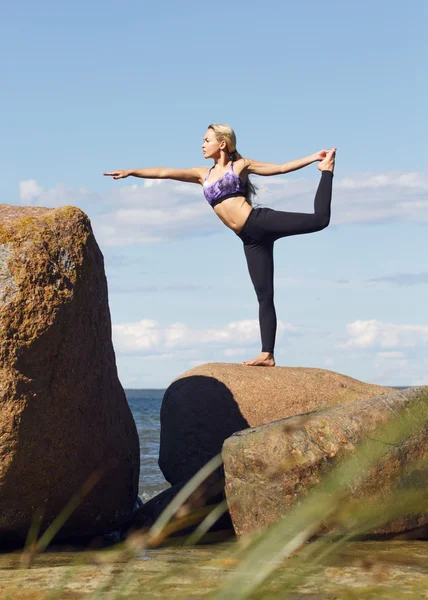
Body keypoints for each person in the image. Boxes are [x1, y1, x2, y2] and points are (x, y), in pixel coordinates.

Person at [104, 123, 335, 367]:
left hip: (260, 222)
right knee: (264, 296)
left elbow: (280, 168)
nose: (202, 145)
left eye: (206, 140)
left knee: (320, 220)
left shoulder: (240, 166)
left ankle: (327, 171)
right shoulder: (201, 174)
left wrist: (315, 158)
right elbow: (164, 172)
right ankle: (267, 354)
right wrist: (131, 171)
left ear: (222, 144)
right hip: (250, 240)